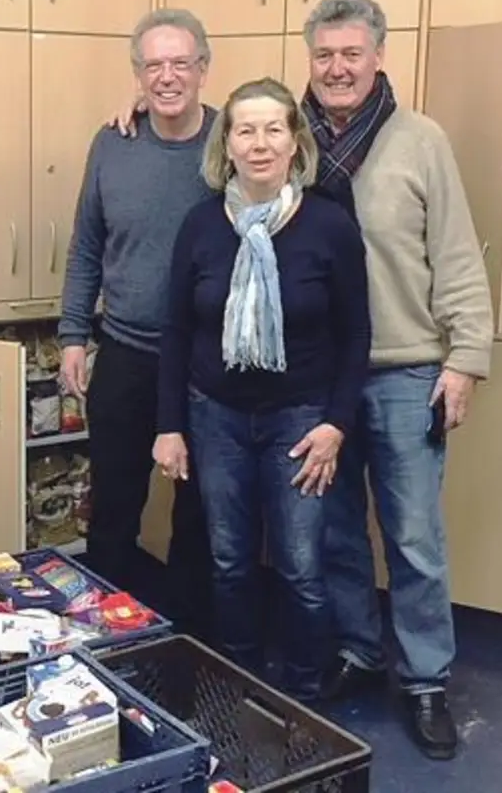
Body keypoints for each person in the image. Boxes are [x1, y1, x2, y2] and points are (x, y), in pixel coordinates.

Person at [110, 0, 493, 760]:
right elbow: (212, 122)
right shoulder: (290, 136)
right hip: (311, 387)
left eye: (353, 53)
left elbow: (455, 252)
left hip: (400, 367)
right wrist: (146, 109)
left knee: (412, 535)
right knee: (338, 535)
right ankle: (356, 652)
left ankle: (423, 682)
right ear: (308, 64)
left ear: (379, 56)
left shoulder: (418, 142)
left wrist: (466, 357)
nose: (338, 67)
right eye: (324, 55)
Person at [153, 77, 370, 701]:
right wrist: (170, 427)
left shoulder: (328, 225)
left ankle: (301, 695)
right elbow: (176, 329)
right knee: (229, 560)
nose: (259, 143)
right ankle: (239, 685)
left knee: (302, 566)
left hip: (302, 421)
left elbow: (357, 334)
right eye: (245, 130)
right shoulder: (200, 225)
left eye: (274, 128)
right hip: (214, 416)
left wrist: (335, 425)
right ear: (227, 143)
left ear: (294, 141)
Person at [57, 8, 218, 623]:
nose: (168, 77)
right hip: (124, 351)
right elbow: (86, 245)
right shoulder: (112, 143)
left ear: (204, 69)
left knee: (199, 512)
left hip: (208, 362)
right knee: (115, 506)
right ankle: (104, 632)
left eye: (181, 63)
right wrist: (73, 334)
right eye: (154, 65)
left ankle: (188, 639)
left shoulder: (232, 142)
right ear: (137, 75)